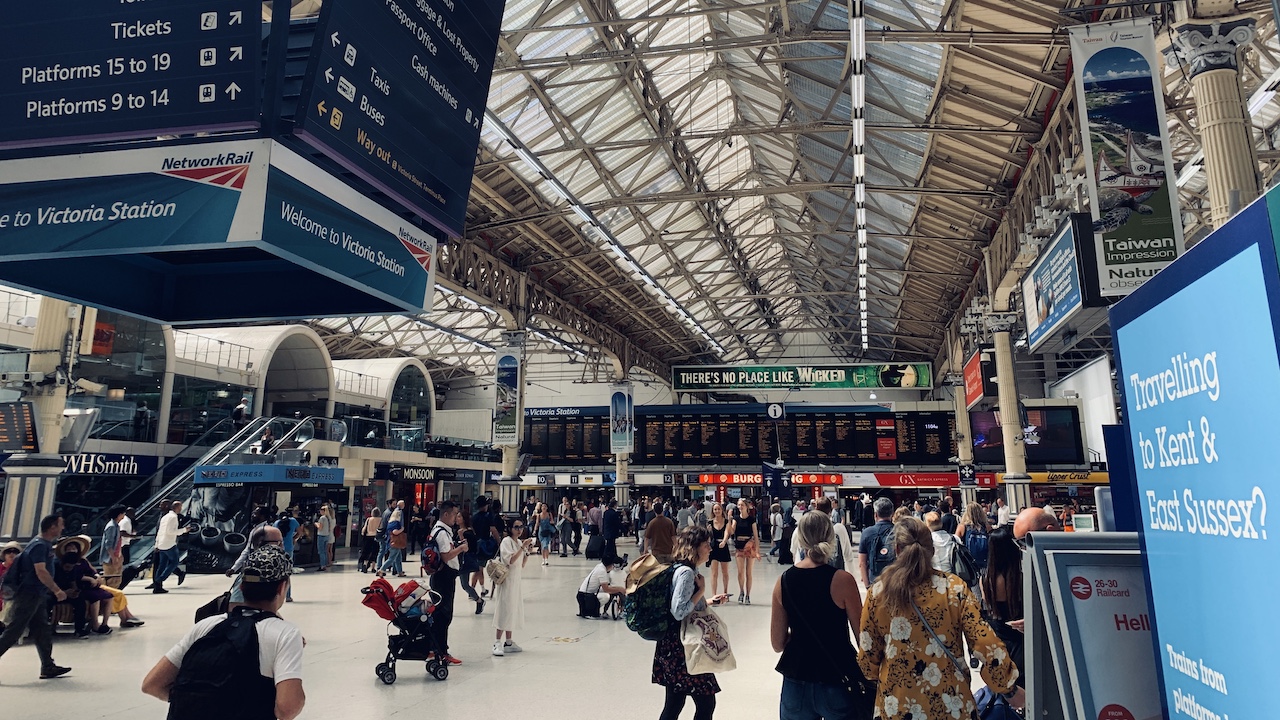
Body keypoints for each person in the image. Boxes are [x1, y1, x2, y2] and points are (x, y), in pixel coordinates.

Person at [858, 518, 1023, 719]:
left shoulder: (878, 593)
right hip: (951, 704)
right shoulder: (954, 588)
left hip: (897, 705)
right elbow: (986, 644)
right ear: (933, 550)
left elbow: (868, 659)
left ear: (897, 549)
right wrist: (1007, 687)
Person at [142, 545, 304, 720]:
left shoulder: (207, 625)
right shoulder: (285, 634)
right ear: (282, 588)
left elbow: (152, 684)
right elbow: (287, 709)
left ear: (241, 587)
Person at [770, 512, 866, 720]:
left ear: (800, 539)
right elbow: (863, 638)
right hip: (836, 677)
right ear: (831, 537)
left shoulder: (783, 581)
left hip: (796, 679)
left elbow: (777, 643)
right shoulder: (842, 581)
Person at [653, 525, 721, 720]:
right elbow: (679, 610)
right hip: (683, 648)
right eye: (706, 545)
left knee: (674, 703)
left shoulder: (683, 568)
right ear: (694, 547)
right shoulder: (687, 573)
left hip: (673, 645)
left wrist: (707, 601)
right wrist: (700, 591)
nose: (710, 548)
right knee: (706, 703)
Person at [0, 514, 72, 679]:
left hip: (36, 594)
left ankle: (48, 666)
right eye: (61, 525)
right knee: (13, 631)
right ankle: (48, 665)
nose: (62, 528)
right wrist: (57, 590)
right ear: (52, 527)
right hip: (29, 594)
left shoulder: (42, 544)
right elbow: (41, 571)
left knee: (42, 630)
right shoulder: (40, 546)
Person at [980, 525, 1026, 685]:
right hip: (1021, 637)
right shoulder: (1021, 578)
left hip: (998, 635)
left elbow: (987, 604)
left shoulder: (986, 579)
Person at [428, 501, 469, 665]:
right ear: (446, 514)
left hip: (440, 577)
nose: (455, 518)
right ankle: (441, 651)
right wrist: (461, 549)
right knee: (443, 616)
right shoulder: (442, 533)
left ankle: (434, 649)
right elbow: (446, 556)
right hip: (444, 577)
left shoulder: (439, 530)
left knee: (439, 614)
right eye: (454, 514)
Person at [53, 535, 115, 637]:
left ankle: (98, 625)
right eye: (70, 548)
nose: (72, 550)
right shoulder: (56, 564)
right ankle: (94, 624)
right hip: (58, 590)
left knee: (108, 596)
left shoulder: (82, 561)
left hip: (79, 589)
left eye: (74, 548)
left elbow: (77, 578)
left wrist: (75, 590)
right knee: (93, 598)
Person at [491, 516, 531, 656]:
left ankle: (508, 641)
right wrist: (522, 547)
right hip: (507, 581)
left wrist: (527, 552)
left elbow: (521, 564)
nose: (519, 530)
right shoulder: (506, 542)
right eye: (516, 527)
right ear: (510, 528)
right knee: (504, 609)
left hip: (516, 581)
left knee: (512, 609)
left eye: (521, 527)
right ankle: (497, 641)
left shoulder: (519, 542)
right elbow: (510, 560)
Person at [151, 501, 189, 593]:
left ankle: (157, 582)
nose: (181, 509)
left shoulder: (165, 517)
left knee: (162, 564)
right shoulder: (173, 517)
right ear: (176, 507)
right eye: (180, 507)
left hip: (161, 544)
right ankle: (161, 578)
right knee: (174, 562)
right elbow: (171, 531)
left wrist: (157, 544)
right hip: (169, 544)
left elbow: (160, 531)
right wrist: (184, 530)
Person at [857, 497, 895, 587]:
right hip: (895, 583)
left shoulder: (867, 533)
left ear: (876, 514)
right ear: (892, 514)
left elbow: (862, 563)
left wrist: (867, 587)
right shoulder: (900, 531)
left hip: (875, 582)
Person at [577, 553, 625, 618]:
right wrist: (619, 589)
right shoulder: (602, 571)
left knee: (612, 590)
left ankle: (595, 610)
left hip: (584, 593)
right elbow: (606, 589)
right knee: (606, 596)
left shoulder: (599, 566)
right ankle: (591, 611)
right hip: (586, 596)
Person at [732, 499, 758, 604]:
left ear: (746, 506)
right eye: (739, 505)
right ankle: (741, 591)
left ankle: (748, 595)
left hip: (749, 546)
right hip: (739, 546)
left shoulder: (751, 519)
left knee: (748, 572)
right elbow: (732, 531)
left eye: (742, 505)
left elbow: (755, 535)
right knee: (740, 572)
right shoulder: (736, 519)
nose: (740, 507)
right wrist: (729, 522)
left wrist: (757, 550)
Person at [956, 502, 993, 573]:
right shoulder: (987, 526)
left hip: (969, 563)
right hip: (985, 561)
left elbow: (955, 543)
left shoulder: (962, 527)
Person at [707, 502, 733, 599]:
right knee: (714, 572)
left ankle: (725, 592)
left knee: (725, 571)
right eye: (715, 509)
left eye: (718, 509)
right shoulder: (710, 523)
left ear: (722, 510)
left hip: (723, 546)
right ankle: (714, 594)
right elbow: (707, 535)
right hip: (713, 548)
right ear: (713, 511)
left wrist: (724, 541)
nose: (717, 511)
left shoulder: (726, 522)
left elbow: (727, 532)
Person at [925, 511, 959, 575]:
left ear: (927, 526)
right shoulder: (955, 538)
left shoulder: (926, 542)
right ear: (941, 523)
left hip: (935, 577)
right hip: (955, 576)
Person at [101, 505, 126, 583]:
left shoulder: (116, 526)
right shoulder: (111, 526)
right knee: (111, 580)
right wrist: (113, 557)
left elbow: (117, 542)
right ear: (119, 514)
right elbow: (108, 544)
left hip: (116, 557)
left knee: (116, 580)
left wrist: (120, 555)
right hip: (110, 559)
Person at [377, 508, 406, 577]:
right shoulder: (395, 523)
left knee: (398, 558)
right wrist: (402, 529)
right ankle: (381, 570)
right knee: (391, 558)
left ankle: (400, 571)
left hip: (391, 541)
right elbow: (395, 532)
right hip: (395, 542)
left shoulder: (390, 522)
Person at [358, 507, 381, 573]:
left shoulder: (369, 519)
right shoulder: (380, 519)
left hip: (368, 536)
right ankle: (373, 567)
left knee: (366, 551)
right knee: (375, 552)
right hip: (376, 537)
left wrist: (363, 534)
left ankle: (365, 565)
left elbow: (364, 529)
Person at [314, 504, 334, 571]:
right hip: (327, 535)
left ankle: (322, 565)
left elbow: (320, 527)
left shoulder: (322, 518)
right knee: (325, 551)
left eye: (321, 510)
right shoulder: (329, 518)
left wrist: (316, 524)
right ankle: (325, 564)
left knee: (321, 551)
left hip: (321, 536)